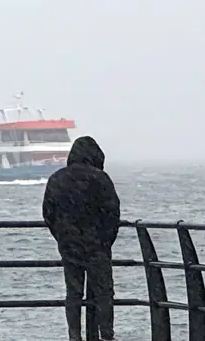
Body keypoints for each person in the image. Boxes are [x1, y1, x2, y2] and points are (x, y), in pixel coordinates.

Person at [42, 136, 120, 341]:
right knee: (104, 293)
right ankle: (106, 334)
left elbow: (48, 213)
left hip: (69, 244)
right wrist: (104, 240)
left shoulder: (57, 179)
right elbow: (113, 214)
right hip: (97, 245)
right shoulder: (101, 179)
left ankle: (74, 335)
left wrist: (62, 235)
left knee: (73, 293)